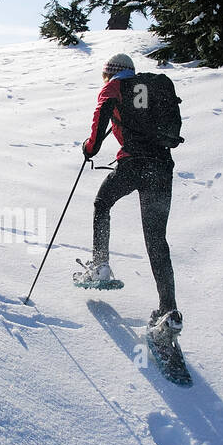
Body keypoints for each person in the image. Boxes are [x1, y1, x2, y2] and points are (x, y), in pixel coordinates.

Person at [80, 52, 184, 335]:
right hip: (162, 168)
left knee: (102, 203)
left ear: (111, 72)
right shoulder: (151, 88)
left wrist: (89, 149)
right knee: (156, 239)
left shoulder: (113, 87)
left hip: (134, 164)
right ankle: (169, 310)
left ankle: (100, 263)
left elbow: (99, 121)